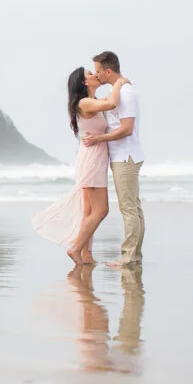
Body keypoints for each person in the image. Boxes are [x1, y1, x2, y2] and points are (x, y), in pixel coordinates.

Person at [32, 67, 129, 264]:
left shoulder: (90, 102)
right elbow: (112, 103)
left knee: (88, 211)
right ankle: (76, 248)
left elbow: (108, 102)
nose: (95, 75)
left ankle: (86, 253)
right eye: (90, 74)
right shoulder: (85, 103)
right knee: (101, 210)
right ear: (84, 82)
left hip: (91, 156)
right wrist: (119, 82)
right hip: (92, 158)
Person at [82, 51, 144, 268]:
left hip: (125, 156)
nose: (97, 75)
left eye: (98, 71)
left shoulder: (125, 93)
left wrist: (99, 138)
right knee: (133, 208)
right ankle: (134, 257)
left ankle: (129, 258)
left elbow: (126, 129)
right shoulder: (118, 92)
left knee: (129, 208)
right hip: (122, 156)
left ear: (108, 71)